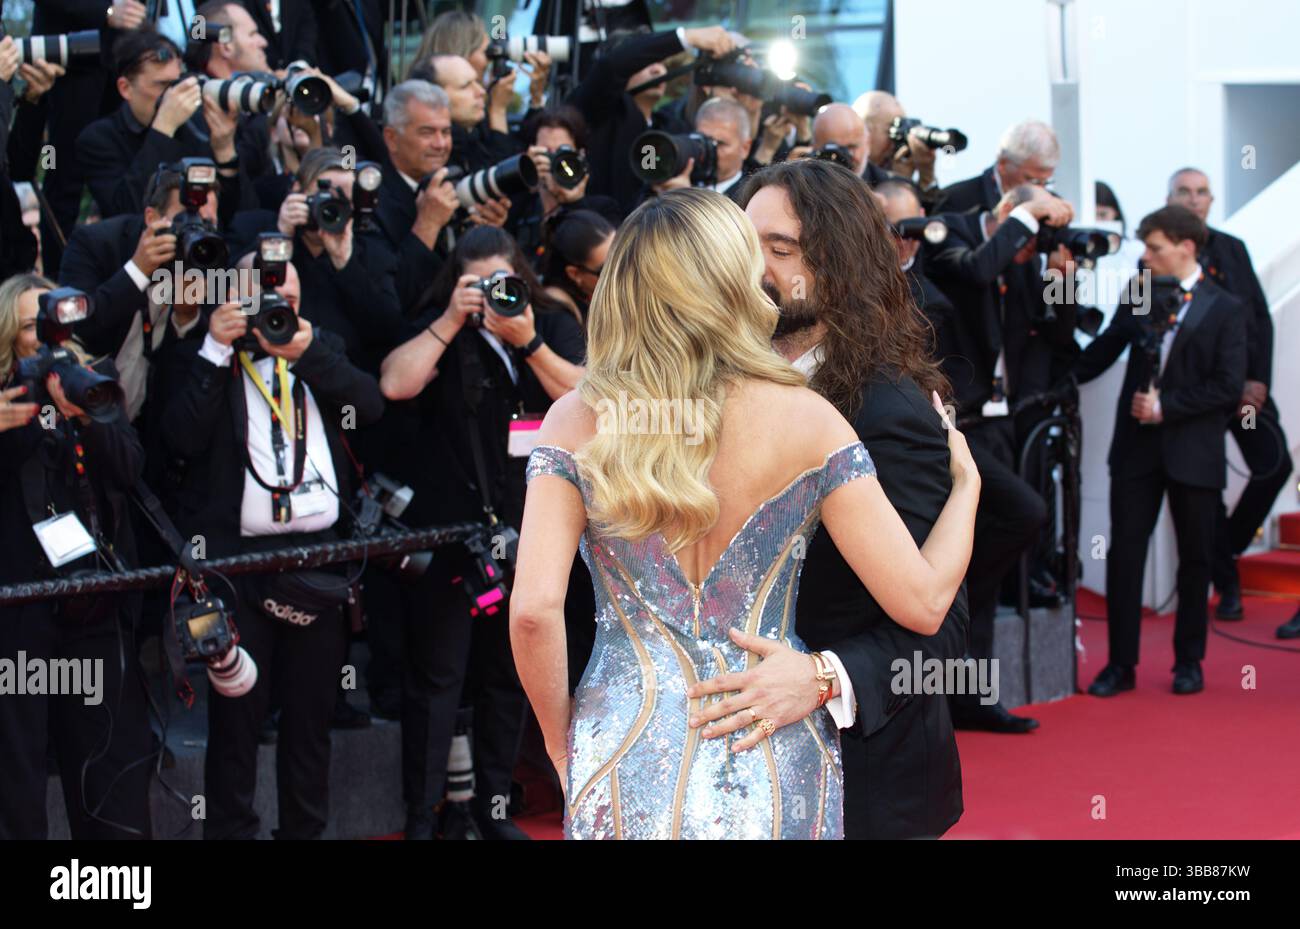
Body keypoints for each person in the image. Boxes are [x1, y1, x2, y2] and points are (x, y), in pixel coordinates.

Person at [510, 188, 979, 839]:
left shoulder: (575, 416)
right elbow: (925, 602)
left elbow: (533, 613)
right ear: (735, 279)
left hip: (619, 741)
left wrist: (565, 752)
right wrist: (968, 491)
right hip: (768, 742)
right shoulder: (807, 418)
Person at [697, 157, 968, 839]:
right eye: (746, 242)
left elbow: (942, 631)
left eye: (780, 248)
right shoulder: (712, 384)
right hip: (724, 765)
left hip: (861, 782)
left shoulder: (888, 408)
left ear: (840, 262)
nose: (755, 266)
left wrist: (821, 675)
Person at [159, 255, 385, 838]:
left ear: (300, 289)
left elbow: (372, 406)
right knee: (236, 727)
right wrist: (213, 347)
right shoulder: (211, 355)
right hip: (240, 570)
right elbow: (178, 440)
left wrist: (307, 356)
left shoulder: (320, 345)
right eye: (258, 282)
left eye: (281, 278)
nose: (273, 290)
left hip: (317, 566)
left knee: (310, 727)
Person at [378, 226, 586, 840]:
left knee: (508, 675)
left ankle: (495, 811)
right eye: (480, 286)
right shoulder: (437, 325)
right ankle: (424, 817)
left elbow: (589, 397)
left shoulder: (546, 319)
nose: (496, 295)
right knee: (438, 680)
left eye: (505, 281)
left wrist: (526, 343)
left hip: (534, 529)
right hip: (449, 537)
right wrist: (450, 320)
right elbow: (394, 383)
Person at [0, 273, 154, 840]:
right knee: (16, 779)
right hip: (18, 614)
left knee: (109, 770)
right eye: (27, 330)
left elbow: (131, 470)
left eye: (50, 327)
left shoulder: (95, 381)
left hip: (91, 606)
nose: (42, 341)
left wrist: (90, 412)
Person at [1072, 206, 1246, 697]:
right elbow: (1108, 346)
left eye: (1155, 247)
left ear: (1187, 247)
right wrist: (1058, 379)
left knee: (1195, 559)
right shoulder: (1139, 291)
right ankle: (1120, 665)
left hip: (1194, 452)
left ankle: (1189, 662)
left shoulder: (1226, 308)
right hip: (1135, 452)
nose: (1145, 256)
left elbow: (1228, 386)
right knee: (1125, 557)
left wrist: (1167, 407)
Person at [1165, 168, 1292, 630]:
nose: (1194, 200)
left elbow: (1259, 318)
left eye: (1201, 193)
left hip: (1242, 396)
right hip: (1192, 400)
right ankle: (1228, 582)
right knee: (1206, 487)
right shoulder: (1155, 254)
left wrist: (1257, 381)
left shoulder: (1232, 249)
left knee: (1274, 464)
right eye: (1184, 192)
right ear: (1169, 198)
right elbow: (1144, 324)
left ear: (1211, 201)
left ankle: (1229, 548)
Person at [937, 119, 1059, 214]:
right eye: (1031, 180)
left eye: (1046, 182)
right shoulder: (956, 201)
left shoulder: (1054, 204)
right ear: (1003, 164)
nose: (1040, 189)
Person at [540, 209, 615, 326]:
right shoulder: (557, 315)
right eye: (605, 270)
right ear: (574, 274)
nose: (621, 272)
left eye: (623, 258)